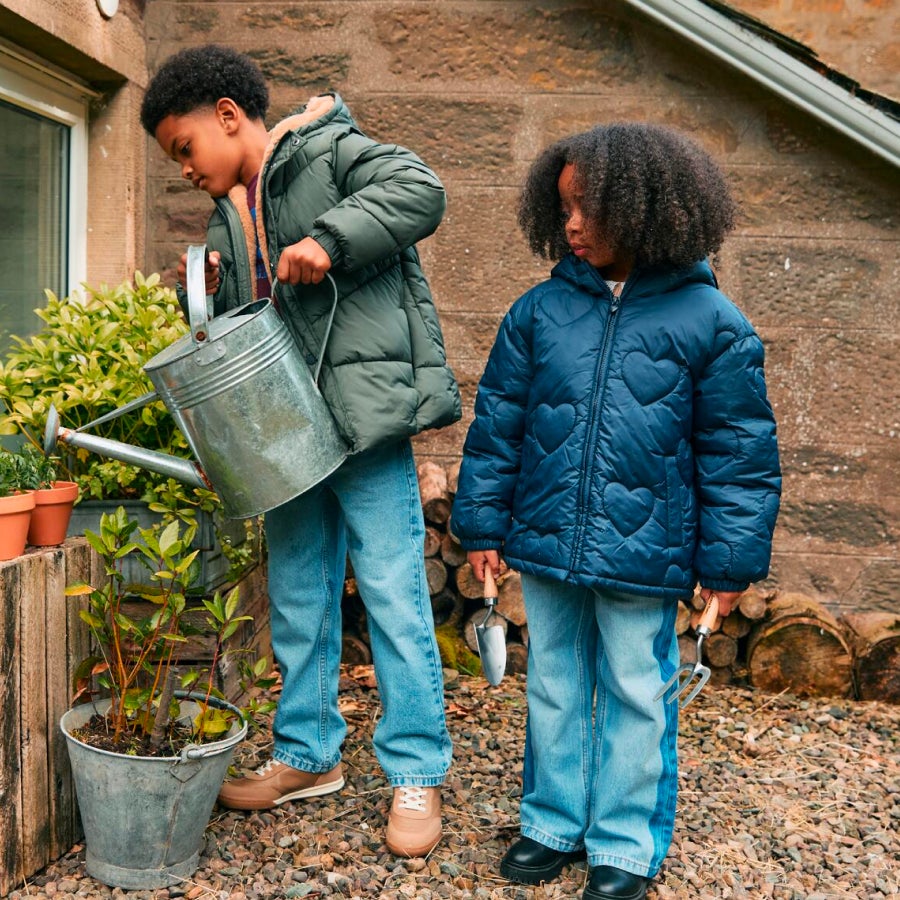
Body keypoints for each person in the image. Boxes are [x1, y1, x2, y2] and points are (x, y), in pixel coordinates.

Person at [139, 45, 460, 858]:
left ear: (227, 116)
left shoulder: (325, 151)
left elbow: (421, 190)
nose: (183, 168)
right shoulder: (226, 215)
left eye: (184, 148)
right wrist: (210, 287)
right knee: (298, 594)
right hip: (282, 433)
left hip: (358, 420)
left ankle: (417, 771)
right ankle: (308, 754)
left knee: (391, 590)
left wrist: (331, 237)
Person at [451, 123, 781, 900]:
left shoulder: (713, 323)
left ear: (647, 207)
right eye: (563, 207)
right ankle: (553, 823)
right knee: (555, 683)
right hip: (548, 540)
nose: (572, 224)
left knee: (638, 689)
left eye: (590, 208)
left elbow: (740, 452)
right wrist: (483, 526)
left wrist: (728, 563)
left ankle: (626, 845)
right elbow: (498, 426)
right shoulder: (536, 314)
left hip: (648, 551)